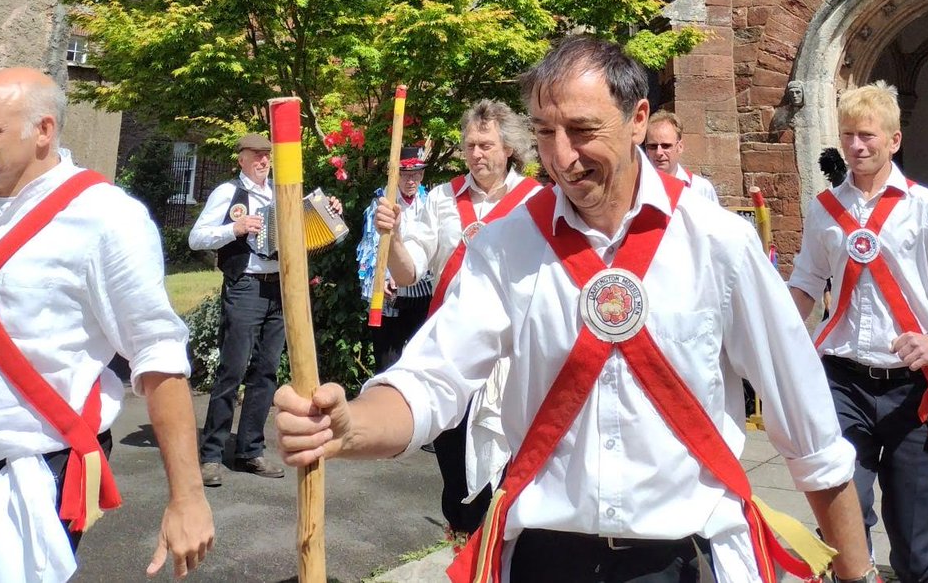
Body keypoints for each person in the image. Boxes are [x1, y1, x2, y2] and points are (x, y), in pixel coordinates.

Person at [274, 36, 873, 583]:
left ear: (638, 119)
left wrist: (857, 572)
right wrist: (349, 425)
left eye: (583, 131)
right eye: (543, 133)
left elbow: (809, 429)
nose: (561, 157)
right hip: (543, 559)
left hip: (683, 560)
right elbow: (430, 380)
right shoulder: (505, 249)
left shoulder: (719, 243)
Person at [0, 67, 214, 582]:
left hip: (27, 479)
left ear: (43, 131)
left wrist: (187, 499)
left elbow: (158, 356)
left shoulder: (106, 218)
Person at [788, 81, 928, 583]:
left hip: (913, 388)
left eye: (866, 135)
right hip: (840, 379)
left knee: (913, 537)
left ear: (894, 140)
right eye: (847, 136)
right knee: (843, 513)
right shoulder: (824, 208)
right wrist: (766, 338)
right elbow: (805, 283)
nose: (856, 147)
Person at [373, 99, 541, 537]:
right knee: (454, 460)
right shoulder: (442, 200)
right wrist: (389, 239)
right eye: (470, 145)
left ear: (508, 149)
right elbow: (409, 274)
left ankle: (506, 551)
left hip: (515, 354)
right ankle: (466, 545)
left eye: (486, 145)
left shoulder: (537, 202)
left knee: (513, 463)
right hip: (454, 352)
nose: (476, 154)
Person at [188, 132, 289, 487]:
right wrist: (235, 228)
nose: (263, 160)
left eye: (267, 155)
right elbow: (196, 237)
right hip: (244, 285)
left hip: (278, 288)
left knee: (266, 372)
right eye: (256, 155)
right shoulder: (228, 193)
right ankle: (212, 454)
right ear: (241, 158)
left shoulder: (281, 194)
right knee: (232, 371)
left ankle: (250, 450)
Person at [356, 146, 434, 373]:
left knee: (425, 362)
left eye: (416, 174)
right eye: (406, 174)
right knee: (388, 362)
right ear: (396, 175)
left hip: (423, 293)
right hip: (391, 296)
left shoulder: (430, 203)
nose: (411, 180)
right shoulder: (381, 205)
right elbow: (372, 247)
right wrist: (386, 277)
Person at [644, 110, 719, 203]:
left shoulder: (701, 189)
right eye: (653, 146)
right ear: (646, 150)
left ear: (680, 147)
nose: (659, 152)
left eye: (666, 146)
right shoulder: (637, 187)